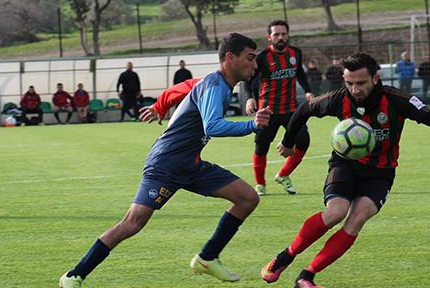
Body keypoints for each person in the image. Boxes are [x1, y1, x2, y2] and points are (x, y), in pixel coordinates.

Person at [59, 33, 273, 288]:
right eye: (249, 58)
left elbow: (178, 90)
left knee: (247, 198)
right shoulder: (214, 86)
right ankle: (74, 275)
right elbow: (213, 126)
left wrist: (160, 107)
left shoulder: (216, 84)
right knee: (133, 222)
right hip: (167, 164)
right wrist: (252, 125)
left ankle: (207, 258)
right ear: (230, 57)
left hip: (191, 164)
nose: (255, 65)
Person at [261, 53, 430, 288]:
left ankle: (306, 277)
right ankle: (285, 256)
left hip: (380, 172)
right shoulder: (338, 98)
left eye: (360, 83)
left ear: (375, 78)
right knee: (335, 212)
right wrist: (288, 142)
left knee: (358, 217)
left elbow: (426, 114)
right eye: (349, 82)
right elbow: (304, 110)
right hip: (345, 166)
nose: (354, 89)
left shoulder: (395, 99)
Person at [244, 19, 315, 196]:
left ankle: (283, 175)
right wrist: (250, 98)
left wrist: (307, 91)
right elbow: (250, 78)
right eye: (276, 34)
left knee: (303, 141)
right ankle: (260, 184)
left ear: (288, 35)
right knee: (261, 146)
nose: (280, 37)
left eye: (283, 34)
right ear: (269, 37)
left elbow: (300, 73)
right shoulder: (261, 58)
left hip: (291, 110)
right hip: (268, 111)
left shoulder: (296, 53)